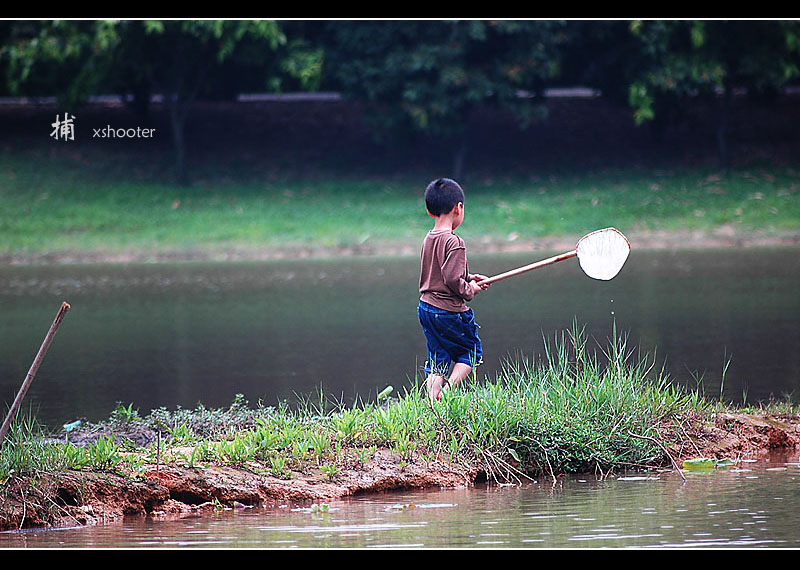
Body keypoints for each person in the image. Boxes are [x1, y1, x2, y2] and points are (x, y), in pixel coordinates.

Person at [417, 178, 490, 404]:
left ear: (430, 212)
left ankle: (432, 401)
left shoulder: (429, 238)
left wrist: (469, 278)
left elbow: (441, 273)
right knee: (470, 351)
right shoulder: (455, 242)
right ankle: (447, 393)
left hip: (426, 308)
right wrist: (470, 289)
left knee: (438, 356)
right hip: (448, 311)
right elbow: (450, 279)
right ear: (459, 208)